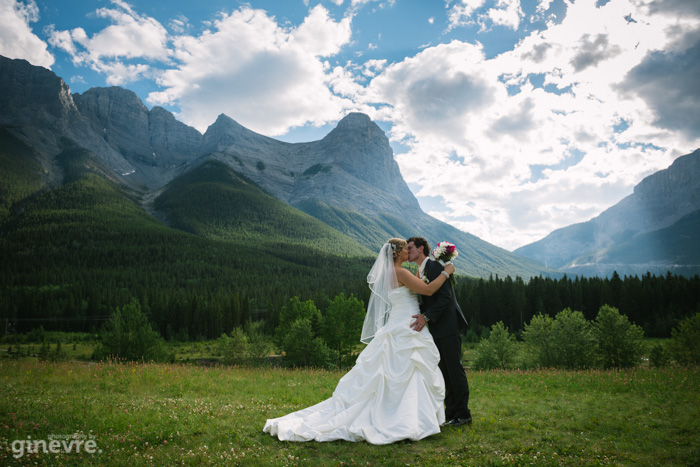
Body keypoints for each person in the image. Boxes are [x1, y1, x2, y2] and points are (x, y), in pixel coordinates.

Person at [263, 238, 456, 444]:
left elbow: (415, 285)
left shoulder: (389, 274)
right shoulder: (401, 272)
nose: (408, 252)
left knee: (392, 373)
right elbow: (426, 290)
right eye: (405, 249)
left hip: (397, 323)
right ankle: (406, 418)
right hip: (407, 325)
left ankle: (402, 415)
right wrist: (447, 272)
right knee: (408, 371)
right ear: (398, 253)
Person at [406, 236, 472, 426]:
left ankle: (463, 414)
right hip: (437, 329)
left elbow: (445, 298)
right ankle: (452, 413)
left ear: (421, 249)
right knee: (444, 371)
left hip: (448, 326)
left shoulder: (434, 266)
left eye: (410, 248)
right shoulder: (422, 269)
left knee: (454, 370)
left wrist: (426, 317)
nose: (407, 251)